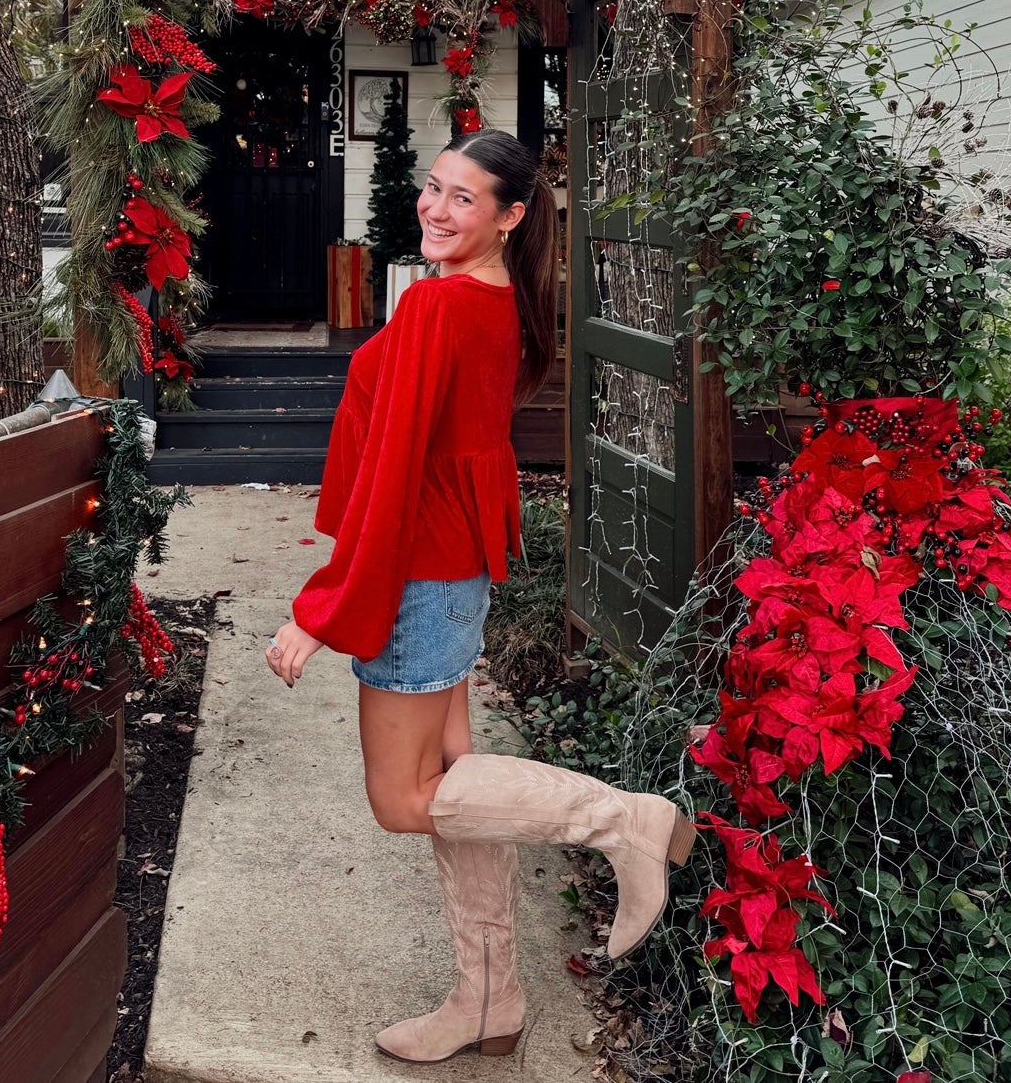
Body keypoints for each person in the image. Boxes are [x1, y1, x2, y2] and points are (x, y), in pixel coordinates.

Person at [265, 128, 695, 1063]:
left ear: (509, 216)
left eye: (465, 198)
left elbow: (392, 475)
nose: (436, 207)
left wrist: (322, 605)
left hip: (420, 570)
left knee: (405, 797)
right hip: (454, 568)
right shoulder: (500, 299)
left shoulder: (436, 308)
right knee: (458, 784)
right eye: (433, 187)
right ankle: (488, 999)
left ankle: (625, 821)